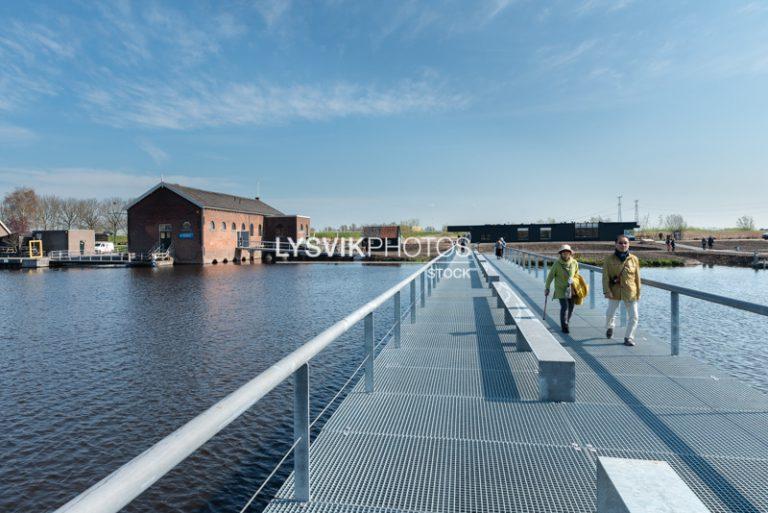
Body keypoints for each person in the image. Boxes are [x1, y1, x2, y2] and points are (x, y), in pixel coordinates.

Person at [603, 234, 641, 346]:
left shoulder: (634, 259)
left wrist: (638, 292)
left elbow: (637, 278)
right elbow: (605, 277)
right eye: (620, 242)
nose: (623, 245)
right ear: (615, 244)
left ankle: (628, 338)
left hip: (630, 291)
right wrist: (607, 291)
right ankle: (610, 327)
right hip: (614, 291)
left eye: (625, 243)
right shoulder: (609, 259)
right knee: (610, 313)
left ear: (629, 244)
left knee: (634, 316)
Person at [545, 244, 579, 334]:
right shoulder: (557, 263)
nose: (565, 254)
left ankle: (566, 320)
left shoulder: (574, 262)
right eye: (563, 252)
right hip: (560, 289)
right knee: (565, 307)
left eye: (567, 252)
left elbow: (577, 275)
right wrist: (547, 288)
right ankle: (564, 326)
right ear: (561, 253)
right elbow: (550, 276)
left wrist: (574, 281)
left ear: (570, 253)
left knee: (571, 307)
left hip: (571, 288)